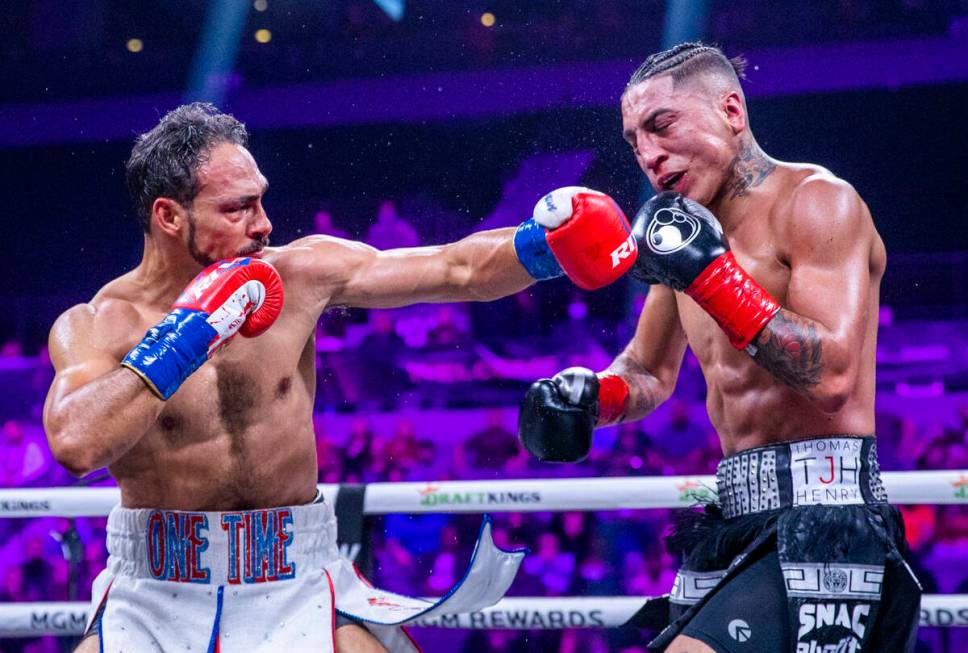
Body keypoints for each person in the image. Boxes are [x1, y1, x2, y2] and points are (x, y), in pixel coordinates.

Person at [41, 103, 637, 653]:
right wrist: (184, 335)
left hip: (296, 573)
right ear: (169, 216)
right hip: (154, 590)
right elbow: (76, 444)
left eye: (261, 200)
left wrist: (548, 247)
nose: (263, 224)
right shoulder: (98, 325)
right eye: (237, 207)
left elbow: (457, 268)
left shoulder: (299, 274)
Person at [518, 43, 920, 652]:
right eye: (634, 143)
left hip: (828, 515)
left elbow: (833, 378)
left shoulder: (817, 202)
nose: (650, 156)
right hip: (735, 515)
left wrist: (711, 275)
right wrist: (590, 398)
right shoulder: (680, 230)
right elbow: (649, 372)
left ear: (731, 110)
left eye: (661, 126)